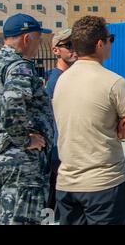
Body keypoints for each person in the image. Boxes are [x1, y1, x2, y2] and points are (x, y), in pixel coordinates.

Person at [53, 16, 125, 225]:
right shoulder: (114, 83)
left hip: (67, 185)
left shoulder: (61, 81)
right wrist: (120, 131)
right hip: (105, 186)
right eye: (111, 39)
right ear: (100, 44)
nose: (111, 43)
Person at [0, 13, 54, 225]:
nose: (40, 45)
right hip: (19, 160)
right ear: (27, 38)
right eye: (39, 39)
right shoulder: (19, 66)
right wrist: (25, 140)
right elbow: (13, 103)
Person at [45, 29, 78, 213]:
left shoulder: (68, 78)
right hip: (60, 156)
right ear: (55, 50)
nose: (74, 49)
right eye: (68, 45)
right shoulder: (58, 80)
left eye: (76, 44)